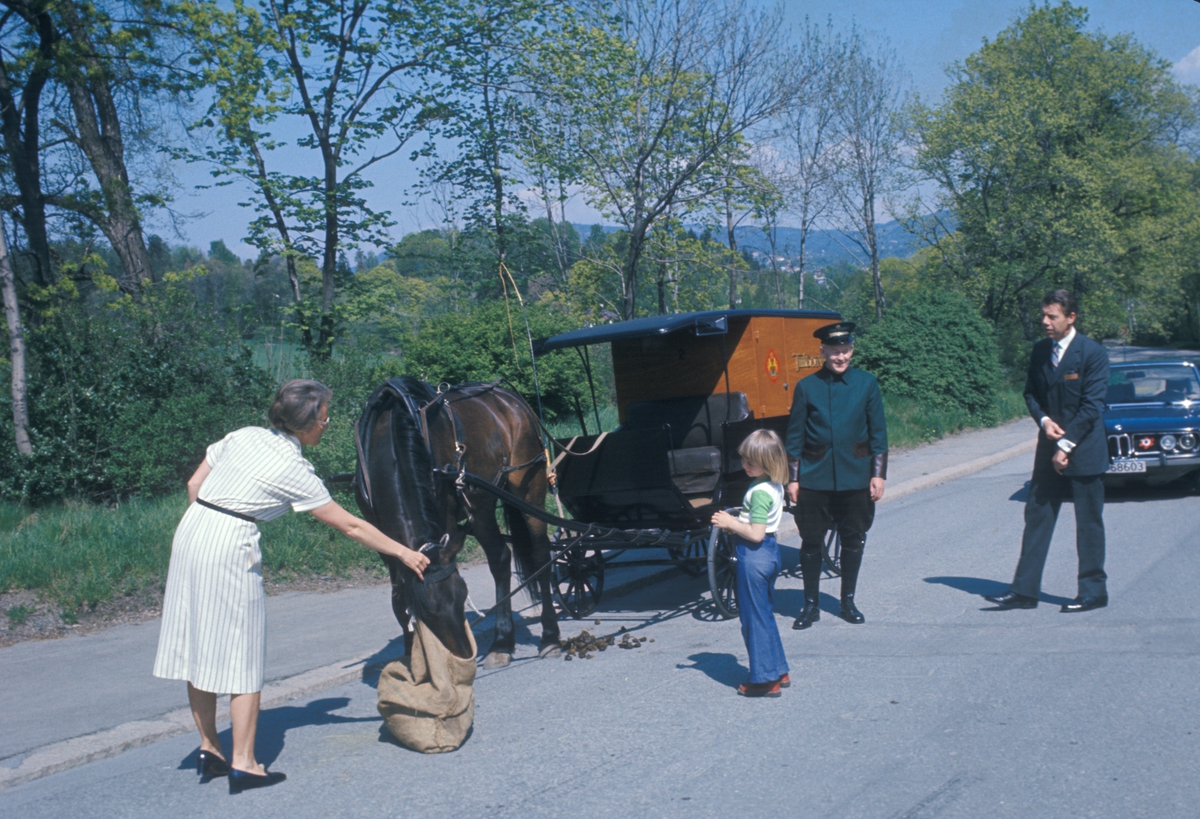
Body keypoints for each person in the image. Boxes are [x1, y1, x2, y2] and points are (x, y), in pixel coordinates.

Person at [153, 380, 430, 793]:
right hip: (229, 543)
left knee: (198, 643)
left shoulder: (243, 436)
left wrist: (207, 526)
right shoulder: (293, 470)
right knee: (241, 654)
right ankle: (244, 763)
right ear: (304, 425)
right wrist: (404, 553)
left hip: (192, 531)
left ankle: (210, 746)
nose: (327, 424)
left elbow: (194, 486)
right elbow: (350, 524)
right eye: (323, 419)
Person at [986, 290, 1110, 613]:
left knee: (1088, 523)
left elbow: (1091, 406)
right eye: (1043, 315)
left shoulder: (1093, 353)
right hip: (1048, 448)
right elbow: (1030, 394)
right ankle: (1025, 591)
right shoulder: (1041, 351)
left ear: (1071, 318)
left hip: (1084, 448)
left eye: (1051, 316)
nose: (1044, 322)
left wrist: (1065, 445)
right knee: (1037, 517)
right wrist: (1042, 421)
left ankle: (1093, 592)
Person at [785, 321, 888, 629]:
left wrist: (878, 474)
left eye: (845, 351)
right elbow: (794, 437)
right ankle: (810, 605)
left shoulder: (867, 384)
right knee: (811, 540)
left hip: (855, 476)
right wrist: (793, 478)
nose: (840, 358)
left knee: (853, 538)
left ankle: (847, 601)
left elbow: (878, 433)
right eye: (834, 352)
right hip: (814, 477)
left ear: (852, 350)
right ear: (823, 352)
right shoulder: (807, 386)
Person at [712, 429, 791, 697]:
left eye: (751, 462)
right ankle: (778, 668)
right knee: (764, 614)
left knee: (752, 619)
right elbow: (762, 526)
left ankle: (766, 681)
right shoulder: (772, 484)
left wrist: (730, 523)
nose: (745, 466)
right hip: (770, 552)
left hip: (754, 555)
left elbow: (755, 533)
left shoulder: (758, 492)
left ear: (768, 461)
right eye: (744, 460)